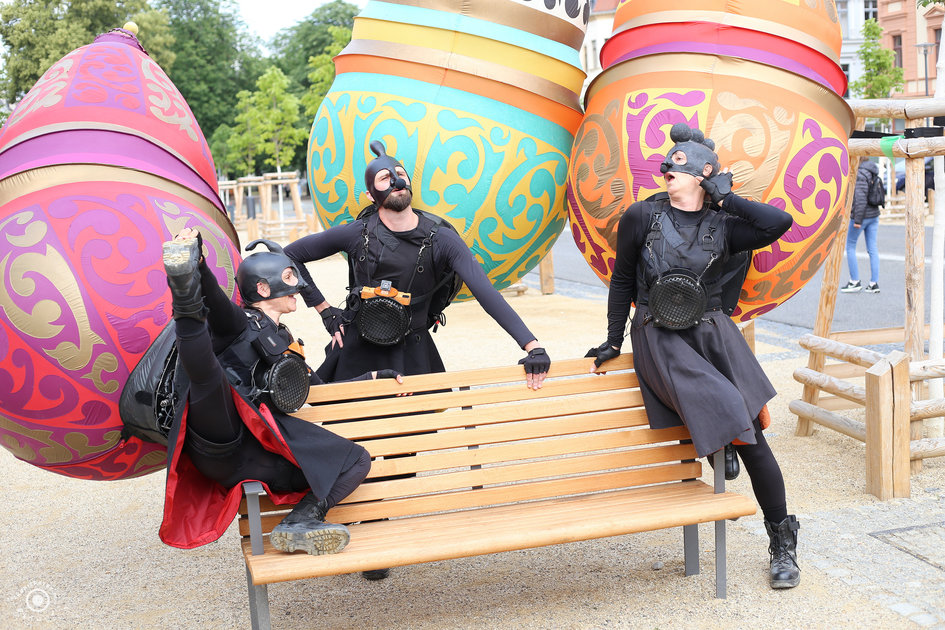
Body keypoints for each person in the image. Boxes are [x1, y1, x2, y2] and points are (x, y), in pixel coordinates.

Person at [587, 123, 799, 589]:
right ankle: (727, 437)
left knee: (756, 441)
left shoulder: (725, 224)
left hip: (712, 331)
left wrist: (726, 198)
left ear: (704, 174)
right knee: (732, 408)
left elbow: (779, 224)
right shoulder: (642, 216)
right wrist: (613, 340)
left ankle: (783, 541)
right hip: (658, 333)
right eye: (667, 164)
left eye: (679, 165)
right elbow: (622, 279)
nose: (666, 168)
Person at [158, 228, 401, 555]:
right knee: (208, 376)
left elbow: (319, 390)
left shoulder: (284, 341)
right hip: (221, 434)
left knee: (357, 460)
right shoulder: (238, 322)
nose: (298, 286)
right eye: (288, 277)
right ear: (262, 288)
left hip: (259, 455)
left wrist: (375, 377)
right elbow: (215, 302)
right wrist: (197, 265)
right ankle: (182, 289)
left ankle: (301, 521)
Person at [284, 140, 551, 391]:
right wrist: (326, 312)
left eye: (400, 174)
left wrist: (532, 346)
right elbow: (289, 256)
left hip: (413, 354)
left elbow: (486, 293)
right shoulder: (356, 233)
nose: (396, 180)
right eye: (384, 178)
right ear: (369, 194)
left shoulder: (443, 240)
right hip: (356, 352)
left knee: (418, 424)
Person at [841, 160, 882, 294]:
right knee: (872, 248)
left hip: (861, 217)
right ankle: (874, 283)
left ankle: (854, 281)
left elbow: (860, 199)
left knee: (850, 246)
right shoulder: (873, 170)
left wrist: (857, 220)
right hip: (874, 215)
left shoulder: (860, 174)